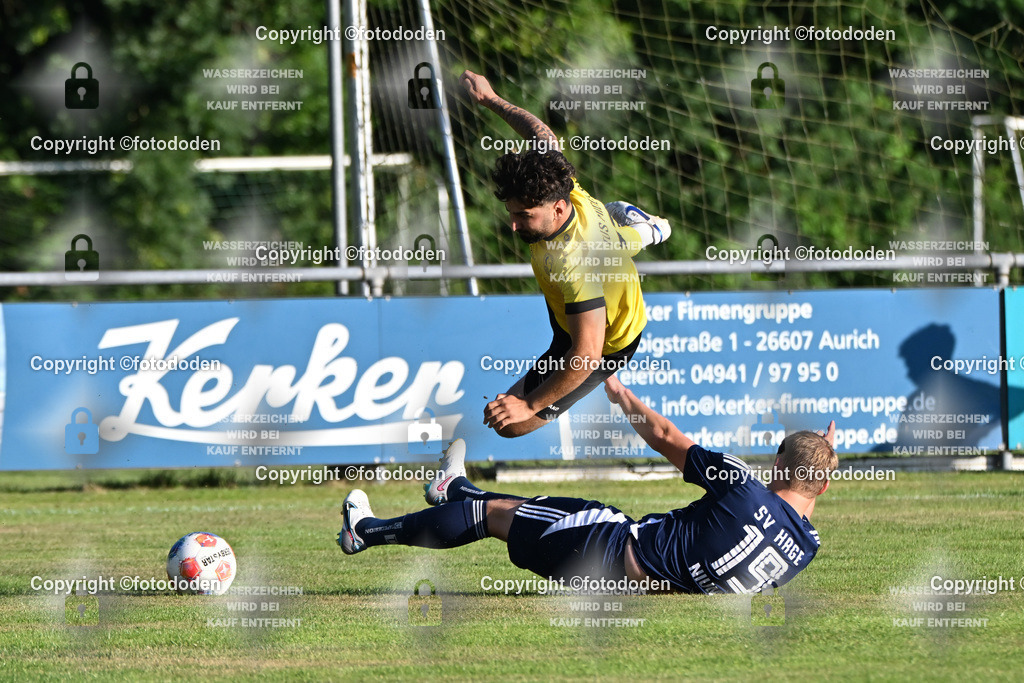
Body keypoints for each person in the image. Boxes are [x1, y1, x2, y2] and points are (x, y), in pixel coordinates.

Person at [338, 375, 838, 594]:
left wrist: (619, 394)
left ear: (777, 463)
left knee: (489, 517)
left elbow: (666, 437)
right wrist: (822, 457)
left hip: (608, 545)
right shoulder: (806, 549)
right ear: (825, 487)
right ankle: (453, 488)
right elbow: (799, 498)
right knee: (523, 508)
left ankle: (366, 531)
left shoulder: (745, 488)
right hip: (640, 584)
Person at [461, 70, 671, 438]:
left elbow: (587, 353)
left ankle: (645, 228)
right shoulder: (558, 182)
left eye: (524, 216)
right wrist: (491, 99)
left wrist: (528, 404)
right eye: (511, 213)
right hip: (587, 281)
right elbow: (543, 135)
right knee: (616, 243)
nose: (513, 225)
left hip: (609, 342)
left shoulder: (575, 264)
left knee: (512, 425)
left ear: (558, 208)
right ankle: (644, 228)